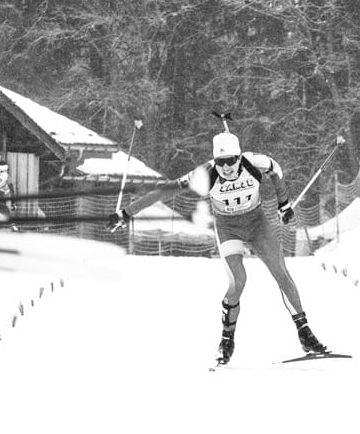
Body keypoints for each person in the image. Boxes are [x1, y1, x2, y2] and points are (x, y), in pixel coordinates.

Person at [117, 129, 327, 365]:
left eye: (230, 161)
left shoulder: (254, 162)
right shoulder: (204, 174)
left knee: (282, 274)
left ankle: (305, 333)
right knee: (238, 280)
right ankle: (226, 341)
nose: (226, 167)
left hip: (257, 223)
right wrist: (128, 212)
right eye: (220, 162)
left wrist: (284, 204)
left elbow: (275, 170)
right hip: (228, 228)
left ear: (238, 157)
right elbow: (165, 190)